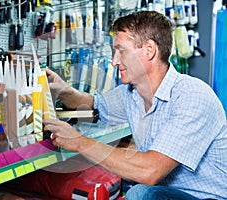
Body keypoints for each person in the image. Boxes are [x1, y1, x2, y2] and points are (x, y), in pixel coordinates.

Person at [43, 11, 227, 200]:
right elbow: (94, 106)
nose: (114, 61)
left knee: (140, 193)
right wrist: (64, 90)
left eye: (121, 51)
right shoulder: (133, 94)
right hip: (164, 194)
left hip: (209, 198)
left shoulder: (192, 96)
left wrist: (79, 142)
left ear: (149, 50)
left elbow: (150, 171)